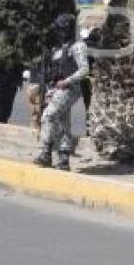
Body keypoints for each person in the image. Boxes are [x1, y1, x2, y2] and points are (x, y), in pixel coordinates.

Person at [33, 14, 89, 171]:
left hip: (70, 88)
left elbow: (84, 69)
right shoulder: (59, 47)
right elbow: (55, 71)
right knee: (63, 122)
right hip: (58, 88)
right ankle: (63, 159)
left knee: (48, 116)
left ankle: (45, 152)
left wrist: (67, 81)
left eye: (62, 29)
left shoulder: (78, 46)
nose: (59, 32)